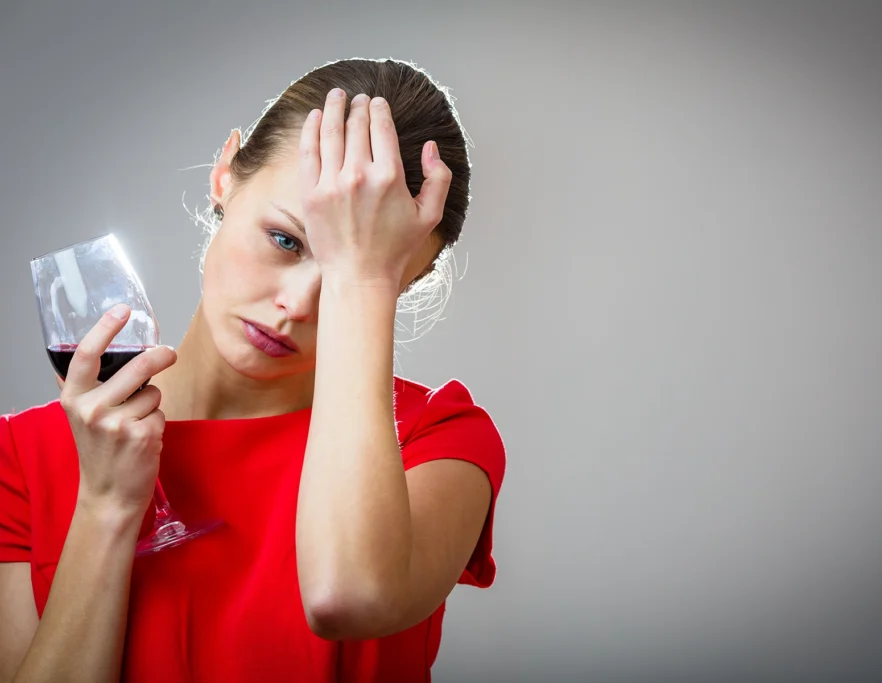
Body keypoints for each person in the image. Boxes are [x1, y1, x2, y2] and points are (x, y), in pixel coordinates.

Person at [0, 58, 506, 683]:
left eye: (358, 274)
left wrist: (363, 276)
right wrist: (105, 504)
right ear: (224, 174)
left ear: (403, 281)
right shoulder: (23, 458)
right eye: (286, 241)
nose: (296, 305)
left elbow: (349, 596)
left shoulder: (437, 441)